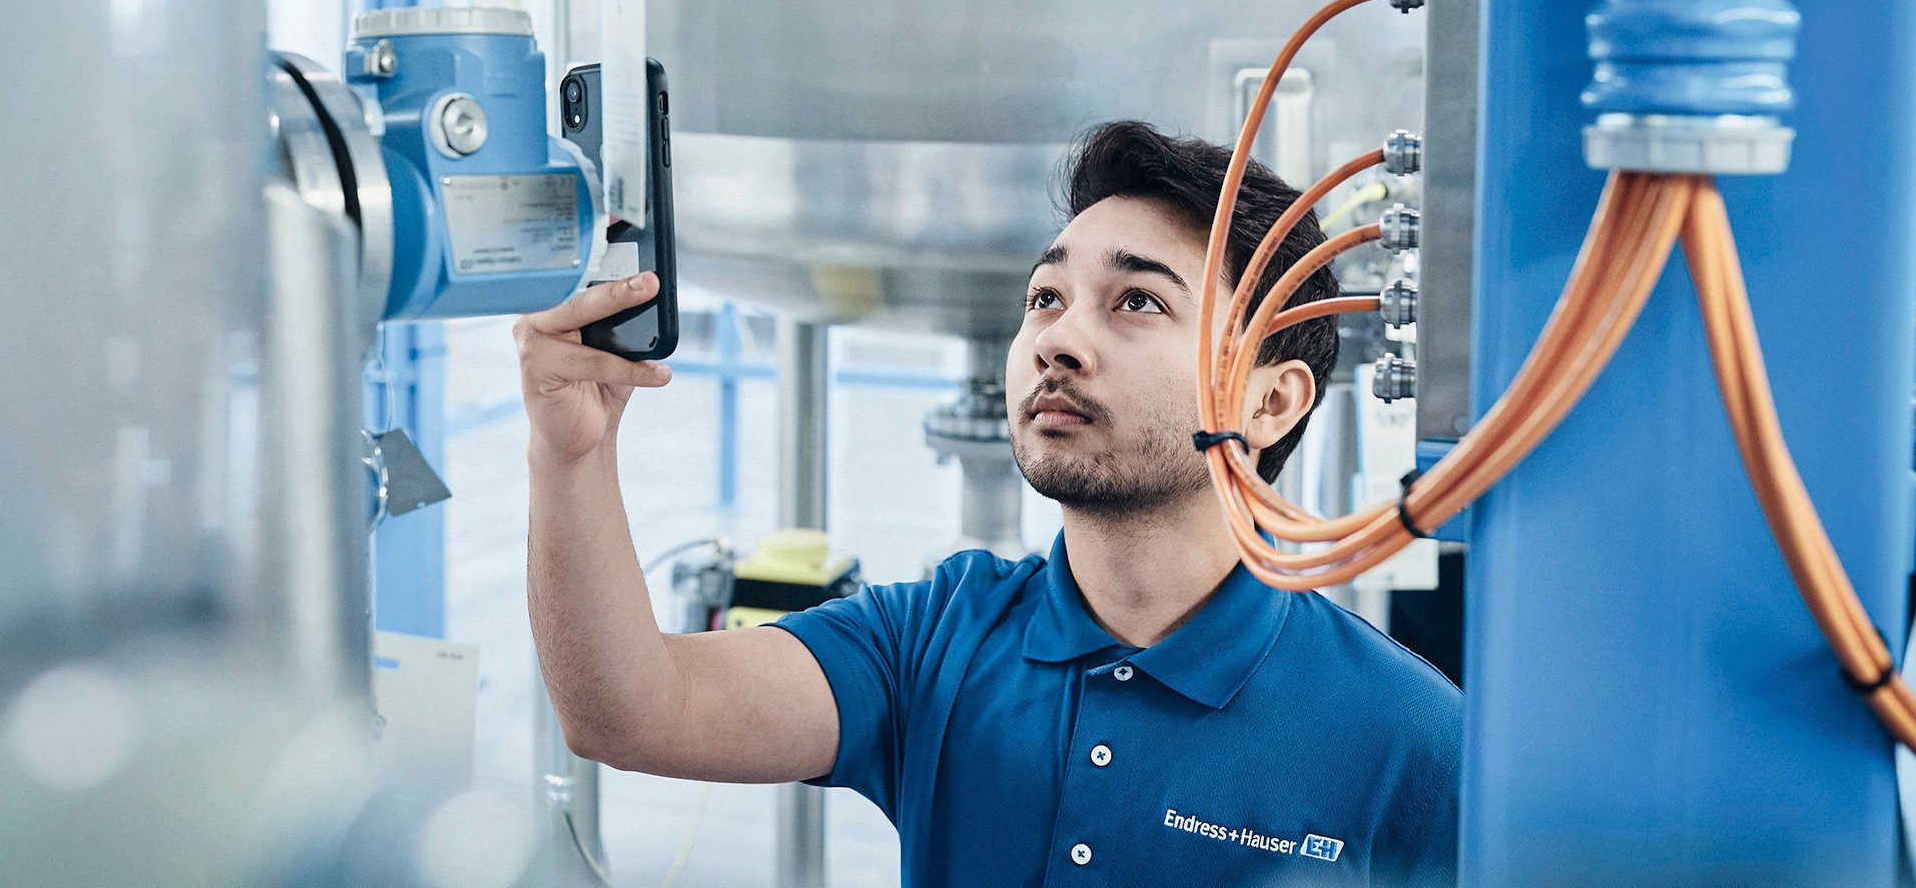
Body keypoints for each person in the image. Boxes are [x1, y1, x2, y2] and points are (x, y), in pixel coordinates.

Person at [515, 120, 1460, 885]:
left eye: (1137, 303)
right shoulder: (934, 641)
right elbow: (631, 712)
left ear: (1271, 399)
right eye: (1046, 298)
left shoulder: (1410, 743)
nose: (1060, 340)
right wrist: (571, 459)